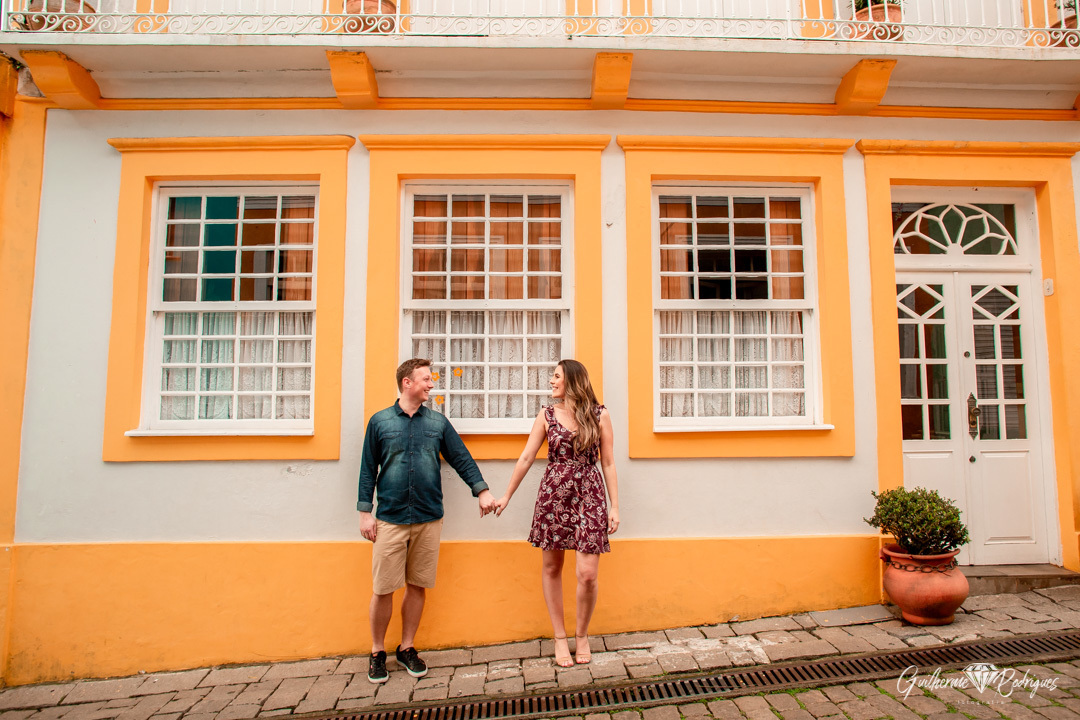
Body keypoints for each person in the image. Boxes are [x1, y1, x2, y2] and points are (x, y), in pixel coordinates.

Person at [357, 358, 498, 684]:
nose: (431, 384)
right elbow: (368, 469)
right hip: (390, 519)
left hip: (428, 518)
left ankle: (407, 648)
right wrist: (365, 512)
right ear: (407, 382)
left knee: (417, 585)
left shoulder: (437, 423)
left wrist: (482, 491)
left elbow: (461, 457)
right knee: (382, 589)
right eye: (425, 379)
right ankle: (377, 651)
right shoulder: (379, 423)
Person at [493, 359, 620, 668]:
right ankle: (560, 637)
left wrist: (615, 506)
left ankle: (582, 635)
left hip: (589, 495)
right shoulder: (547, 415)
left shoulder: (600, 415)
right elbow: (526, 457)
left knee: (587, 574)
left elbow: (608, 462)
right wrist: (506, 495)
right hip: (554, 497)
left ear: (573, 381)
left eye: (556, 376)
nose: (551, 381)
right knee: (552, 568)